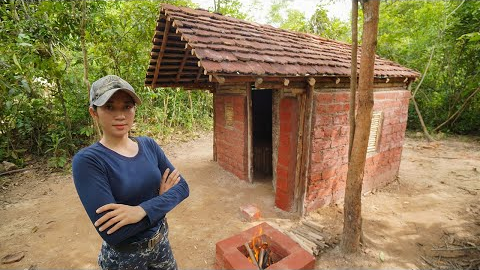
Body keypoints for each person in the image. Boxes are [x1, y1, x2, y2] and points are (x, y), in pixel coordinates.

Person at [72, 75, 189, 270]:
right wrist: (162, 201)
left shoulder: (148, 145)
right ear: (94, 112)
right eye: (109, 107)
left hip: (161, 244)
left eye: (127, 106)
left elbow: (183, 188)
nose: (120, 115)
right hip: (124, 259)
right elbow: (113, 233)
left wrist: (140, 211)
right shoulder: (88, 161)